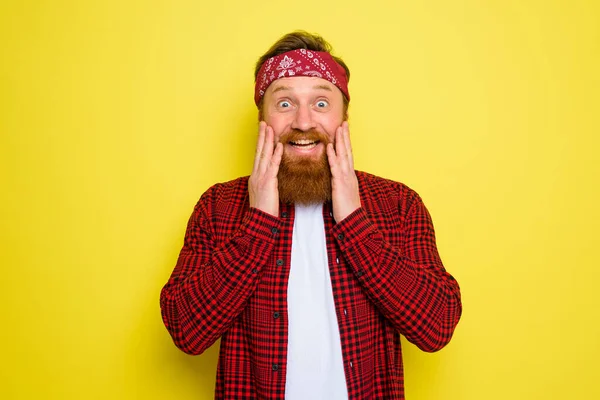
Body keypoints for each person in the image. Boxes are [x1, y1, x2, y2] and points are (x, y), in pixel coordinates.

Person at [160, 31, 462, 400]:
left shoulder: (398, 204)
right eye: (284, 104)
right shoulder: (219, 206)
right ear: (263, 118)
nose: (303, 122)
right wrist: (257, 224)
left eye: (321, 103)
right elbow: (186, 331)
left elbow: (437, 327)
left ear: (343, 116)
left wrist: (354, 223)